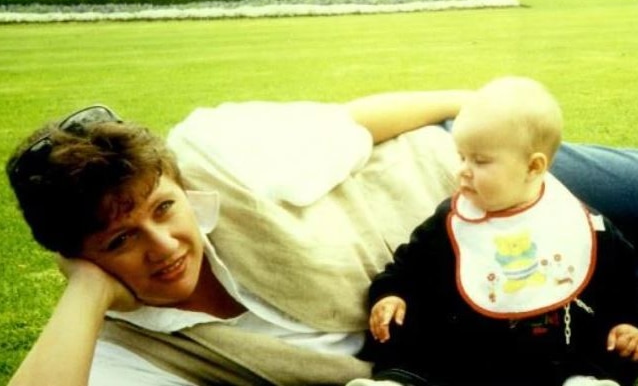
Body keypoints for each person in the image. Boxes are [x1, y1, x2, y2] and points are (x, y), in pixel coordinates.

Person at [4, 83, 638, 386]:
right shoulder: (127, 355)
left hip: (467, 175)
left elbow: (355, 122)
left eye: (165, 208)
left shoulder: (218, 152)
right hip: (454, 298)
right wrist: (87, 293)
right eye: (120, 242)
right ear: (74, 255)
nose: (165, 246)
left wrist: (488, 109)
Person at [348, 77, 638, 386]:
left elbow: (626, 281)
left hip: (553, 359)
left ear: (533, 167)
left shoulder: (583, 226)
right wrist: (392, 295)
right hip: (456, 357)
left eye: (480, 160)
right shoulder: (452, 221)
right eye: (461, 157)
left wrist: (629, 323)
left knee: (584, 369)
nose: (463, 170)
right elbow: (406, 268)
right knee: (417, 364)